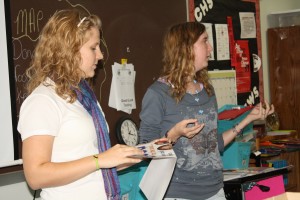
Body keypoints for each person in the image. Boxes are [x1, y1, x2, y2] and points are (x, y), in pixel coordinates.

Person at [17, 9, 145, 200]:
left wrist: (133, 155)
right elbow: (36, 176)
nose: (100, 55)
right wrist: (100, 160)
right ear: (69, 49)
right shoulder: (42, 100)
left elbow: (92, 164)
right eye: (93, 48)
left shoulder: (85, 98)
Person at [139, 22, 274, 200]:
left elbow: (213, 144)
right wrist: (174, 134)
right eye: (204, 41)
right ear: (186, 48)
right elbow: (145, 149)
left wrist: (248, 119)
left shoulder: (207, 91)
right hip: (179, 194)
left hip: (215, 191)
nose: (210, 48)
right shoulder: (158, 93)